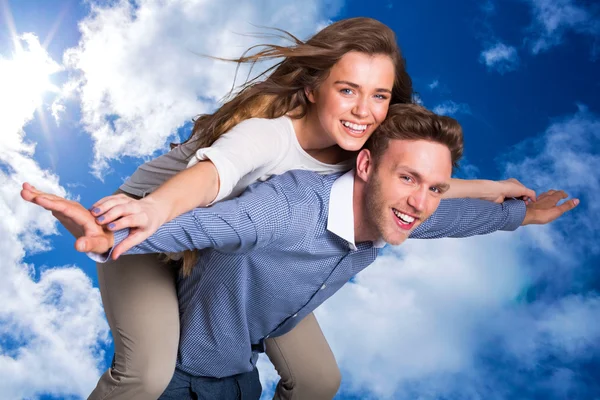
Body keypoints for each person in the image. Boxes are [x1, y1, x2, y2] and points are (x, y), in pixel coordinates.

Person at [74, 17, 534, 399]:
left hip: (234, 244)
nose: (364, 110)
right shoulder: (269, 134)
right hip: (139, 225)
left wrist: (495, 189)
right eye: (348, 90)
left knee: (318, 380)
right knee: (148, 373)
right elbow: (214, 175)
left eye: (380, 96)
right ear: (314, 88)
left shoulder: (361, 147)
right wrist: (152, 209)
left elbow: (415, 184)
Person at [21, 104, 578, 399]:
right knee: (145, 373)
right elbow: (213, 223)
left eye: (434, 187)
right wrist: (109, 236)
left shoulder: (396, 212)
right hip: (193, 362)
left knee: (319, 382)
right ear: (364, 167)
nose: (423, 203)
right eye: (410, 179)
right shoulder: (288, 204)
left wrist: (522, 214)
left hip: (263, 315)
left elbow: (451, 217)